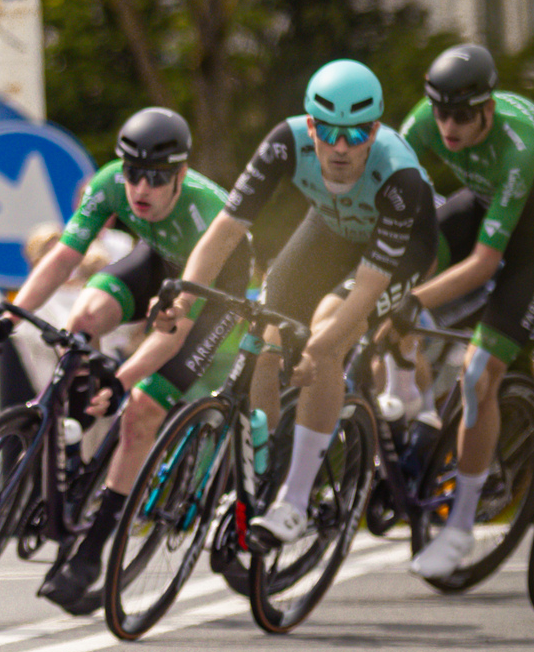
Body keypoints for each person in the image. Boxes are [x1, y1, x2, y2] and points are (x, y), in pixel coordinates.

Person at [0, 107, 248, 613]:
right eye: (133, 172)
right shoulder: (111, 184)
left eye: (157, 178)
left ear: (181, 175)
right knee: (83, 316)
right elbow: (63, 257)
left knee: (141, 408)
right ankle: (74, 440)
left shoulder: (208, 215)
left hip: (216, 295)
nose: (140, 188)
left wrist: (120, 381)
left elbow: (175, 330)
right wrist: (12, 315)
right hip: (160, 261)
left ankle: (92, 552)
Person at [176, 58, 437, 558]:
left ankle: (295, 501)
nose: (341, 147)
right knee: (269, 338)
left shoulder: (399, 177)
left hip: (400, 253)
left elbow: (366, 287)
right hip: (333, 229)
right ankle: (257, 478)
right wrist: (185, 297)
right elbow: (226, 231)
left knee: (325, 337)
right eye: (330, 132)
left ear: (376, 130)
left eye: (358, 133)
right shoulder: (283, 142)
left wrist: (318, 349)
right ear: (311, 126)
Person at [393, 41, 534, 577]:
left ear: (488, 109)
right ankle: (411, 399)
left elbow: (482, 265)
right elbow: (388, 192)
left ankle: (460, 528)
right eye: (441, 113)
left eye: (462, 116)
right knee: (392, 271)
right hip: (481, 207)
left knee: (479, 375)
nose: (448, 127)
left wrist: (409, 303)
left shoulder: (522, 143)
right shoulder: (424, 122)